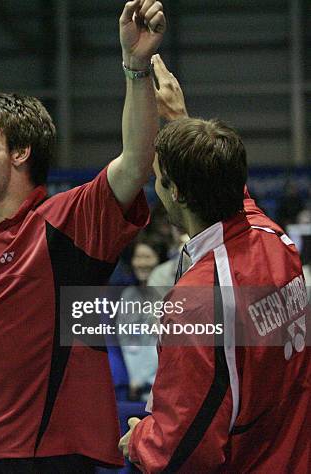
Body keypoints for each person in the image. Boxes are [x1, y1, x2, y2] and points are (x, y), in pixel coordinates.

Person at [0, 0, 166, 471]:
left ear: (20, 151)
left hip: (45, 455)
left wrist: (135, 66)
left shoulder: (67, 221)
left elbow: (136, 161)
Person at [118, 55, 310, 472]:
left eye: (158, 177)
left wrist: (140, 442)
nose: (154, 184)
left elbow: (188, 443)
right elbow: (231, 191)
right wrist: (181, 119)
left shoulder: (197, 300)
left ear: (178, 193)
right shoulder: (274, 239)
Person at [116, 233, 168, 401]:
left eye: (147, 257)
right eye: (138, 257)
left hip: (162, 385)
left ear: (159, 261)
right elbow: (125, 341)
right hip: (135, 388)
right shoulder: (128, 295)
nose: (142, 263)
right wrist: (133, 378)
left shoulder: (170, 295)